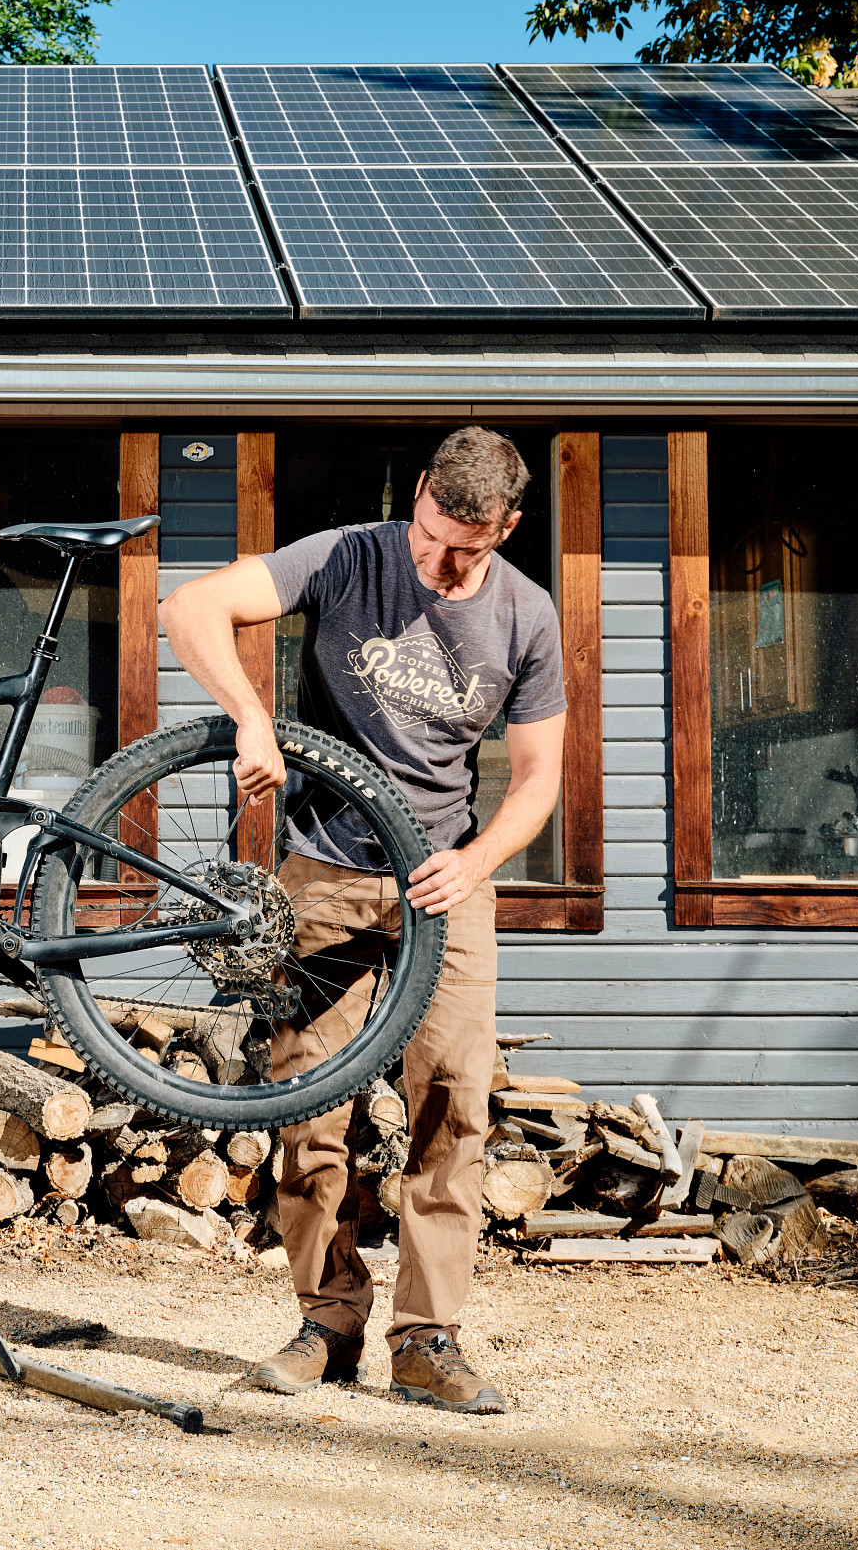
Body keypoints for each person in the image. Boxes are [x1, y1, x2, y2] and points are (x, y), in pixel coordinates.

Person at [159, 426, 566, 1415]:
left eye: (463, 548)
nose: (436, 561)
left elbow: (539, 778)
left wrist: (474, 859)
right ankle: (326, 1320)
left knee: (453, 1103)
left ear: (504, 527)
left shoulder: (527, 616)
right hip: (325, 873)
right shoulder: (347, 554)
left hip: (445, 883)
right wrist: (250, 715)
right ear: (418, 495)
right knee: (307, 1098)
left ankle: (427, 1338)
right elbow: (191, 604)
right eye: (429, 533)